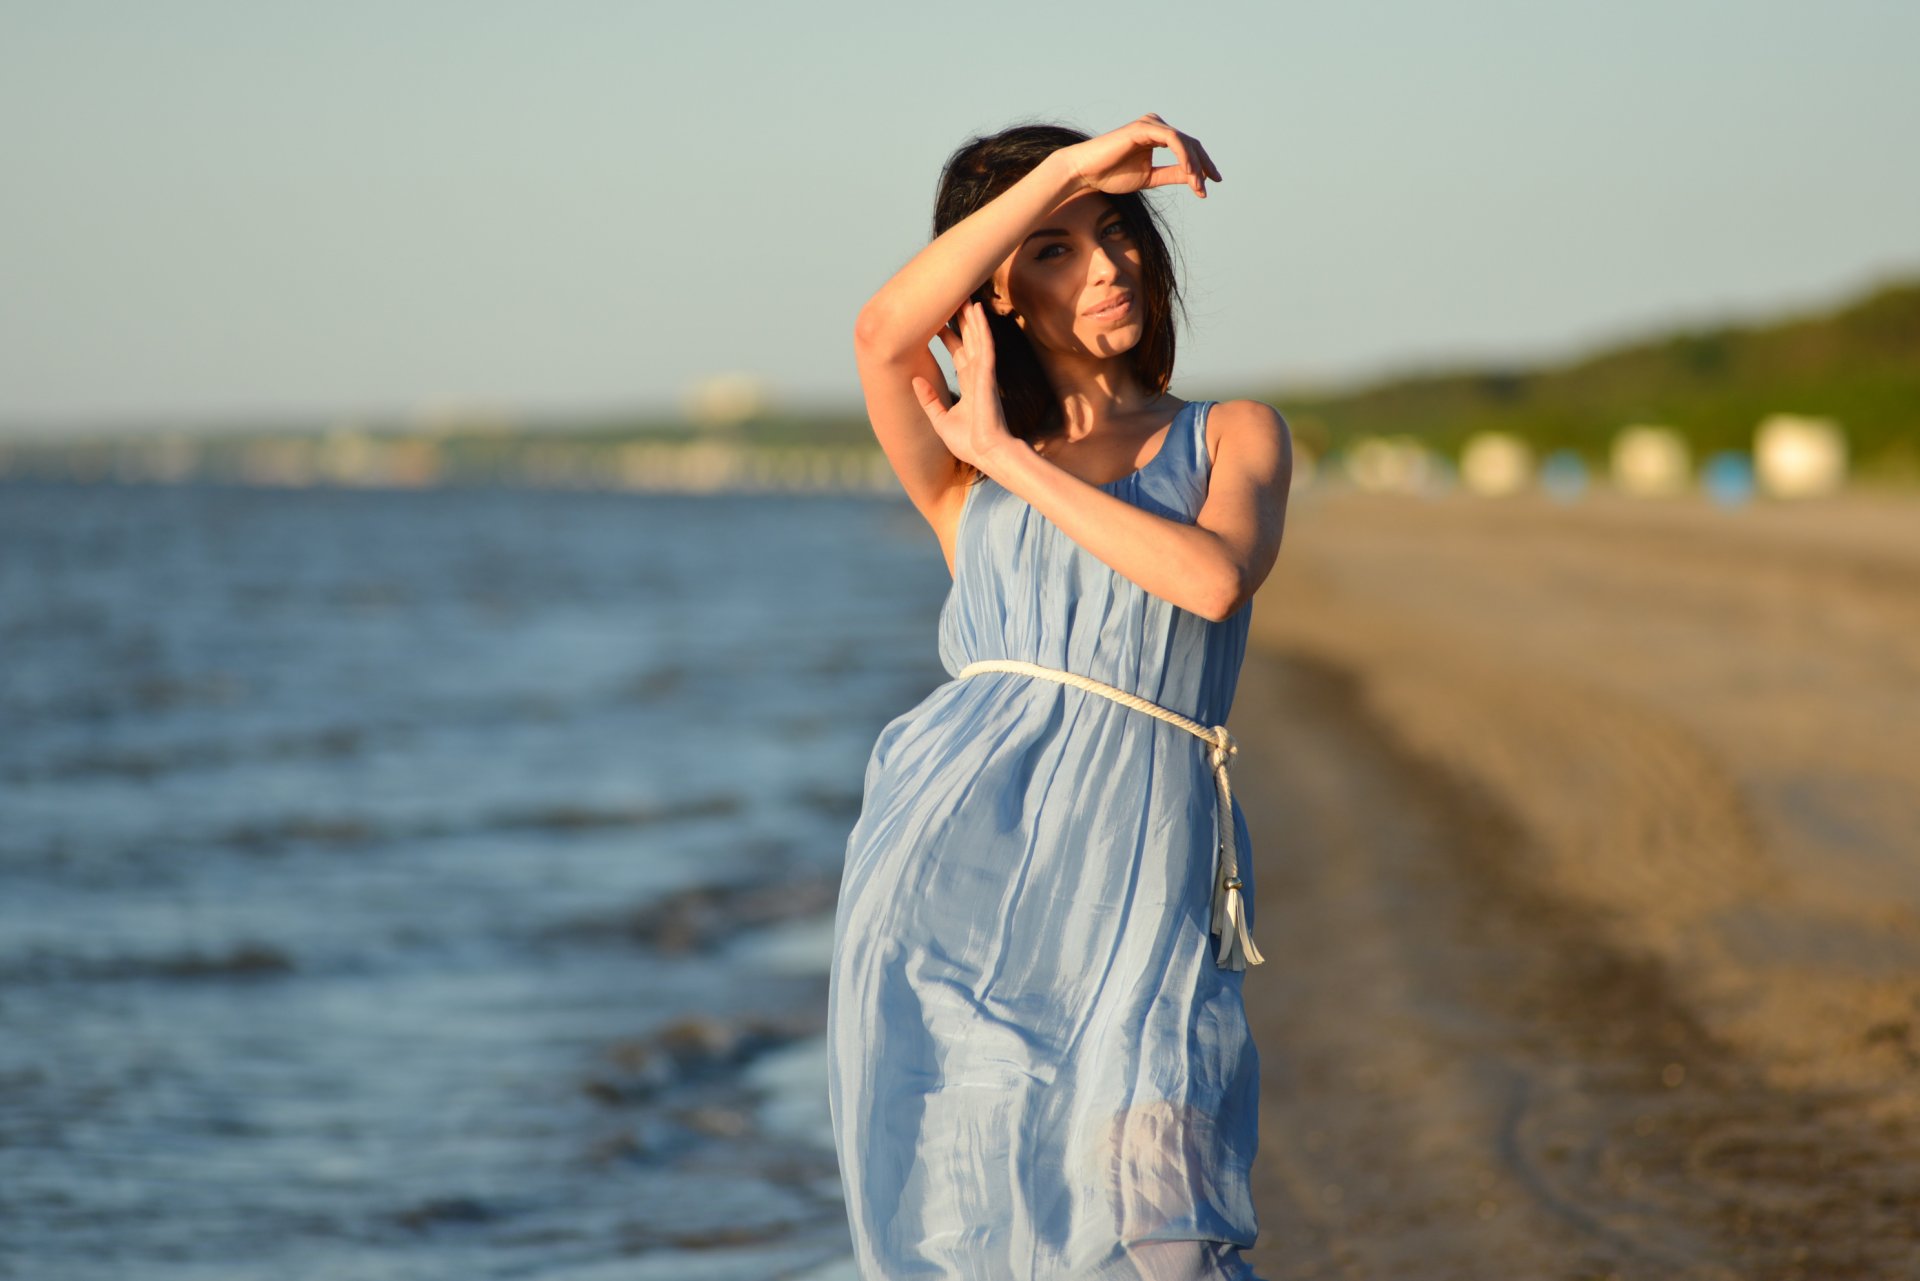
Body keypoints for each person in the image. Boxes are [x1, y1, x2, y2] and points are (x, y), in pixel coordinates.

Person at [826, 112, 1292, 1280]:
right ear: (998, 294)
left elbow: (1211, 580)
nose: (1109, 264)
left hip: (1147, 877)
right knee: (983, 1213)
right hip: (954, 885)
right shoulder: (954, 472)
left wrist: (1017, 456)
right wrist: (1070, 167)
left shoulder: (1230, 434)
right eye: (1055, 246)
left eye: (1119, 230)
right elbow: (884, 331)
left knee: (1166, 1230)